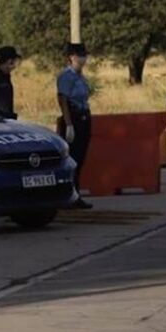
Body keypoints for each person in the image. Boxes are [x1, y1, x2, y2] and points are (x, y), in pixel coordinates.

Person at [57, 43, 93, 209]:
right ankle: (70, 195)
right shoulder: (66, 76)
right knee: (73, 158)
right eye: (79, 56)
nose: (83, 59)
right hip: (73, 117)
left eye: (84, 55)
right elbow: (63, 99)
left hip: (84, 116)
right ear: (71, 57)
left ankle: (75, 195)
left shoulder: (81, 76)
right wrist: (69, 124)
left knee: (81, 158)